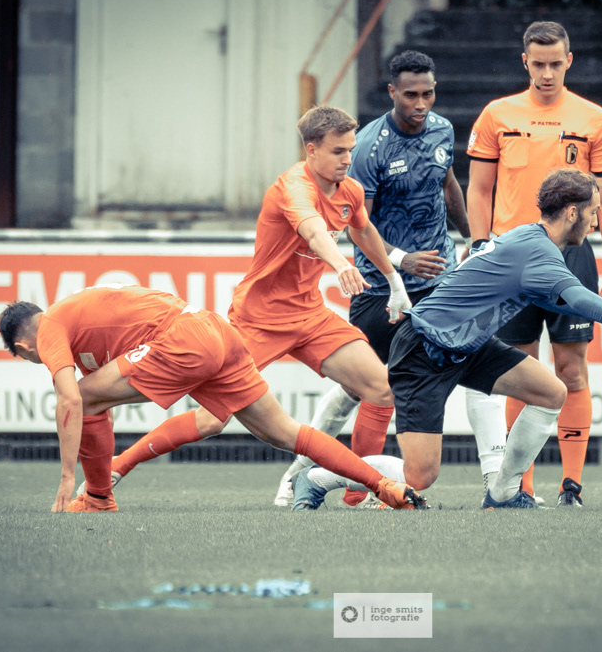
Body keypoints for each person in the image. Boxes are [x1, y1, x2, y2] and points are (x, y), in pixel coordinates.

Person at [290, 169, 602, 510]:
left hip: (467, 345)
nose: (595, 222)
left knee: (551, 392)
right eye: (593, 212)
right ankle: (318, 478)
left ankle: (503, 493)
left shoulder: (531, 240)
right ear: (572, 212)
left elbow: (561, 298)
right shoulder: (539, 252)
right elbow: (579, 299)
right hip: (424, 347)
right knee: (420, 476)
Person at [78, 105, 414, 498]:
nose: (347, 159)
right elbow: (313, 231)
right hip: (259, 319)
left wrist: (394, 280)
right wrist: (340, 264)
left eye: (350, 150)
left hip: (311, 315)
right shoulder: (293, 187)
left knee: (380, 389)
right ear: (311, 150)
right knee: (212, 419)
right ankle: (119, 465)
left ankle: (358, 496)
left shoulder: (350, 191)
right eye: (338, 151)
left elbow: (364, 231)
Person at [272, 50, 505, 509]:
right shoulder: (366, 148)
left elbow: (448, 185)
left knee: (479, 365)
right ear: (392, 91)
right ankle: (299, 476)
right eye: (411, 94)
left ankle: (499, 485)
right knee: (359, 389)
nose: (421, 103)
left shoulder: (442, 129)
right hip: (383, 290)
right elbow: (358, 224)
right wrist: (401, 261)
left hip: (441, 284)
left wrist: (474, 238)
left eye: (428, 93)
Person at [0, 285, 426, 512]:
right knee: (284, 433)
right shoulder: (76, 322)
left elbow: (71, 401)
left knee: (84, 397)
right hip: (216, 330)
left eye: (28, 357)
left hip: (184, 338)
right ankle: (384, 485)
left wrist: (67, 477)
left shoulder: (48, 327)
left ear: (22, 348)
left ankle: (97, 498)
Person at [464, 20, 602, 507]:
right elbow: (479, 189)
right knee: (521, 371)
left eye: (556, 63)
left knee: (572, 371)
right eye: (538, 64)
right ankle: (521, 486)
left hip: (572, 257)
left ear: (569, 60)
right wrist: (479, 245)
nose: (548, 73)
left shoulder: (595, 119)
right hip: (511, 258)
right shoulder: (497, 115)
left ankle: (571, 486)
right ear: (525, 62)